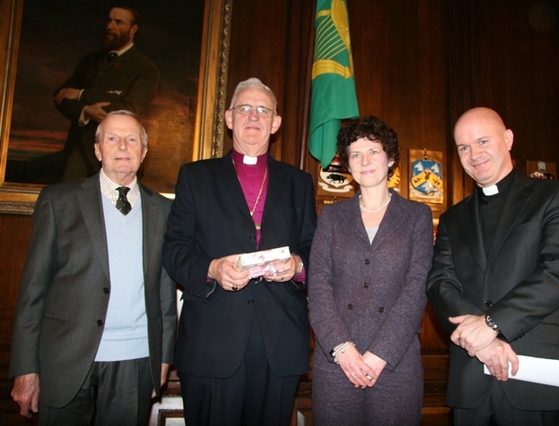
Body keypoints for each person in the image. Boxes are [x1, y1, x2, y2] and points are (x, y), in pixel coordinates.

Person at [426, 107, 559, 425]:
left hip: (541, 372)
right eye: (464, 147)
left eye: (482, 141)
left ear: (507, 139)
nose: (474, 154)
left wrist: (492, 324)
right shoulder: (453, 218)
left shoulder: (554, 196)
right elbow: (440, 283)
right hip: (472, 376)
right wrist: (482, 343)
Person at [162, 77, 317, 425]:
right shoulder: (195, 177)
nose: (253, 116)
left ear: (276, 123)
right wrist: (212, 268)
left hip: (279, 339)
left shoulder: (298, 182)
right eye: (244, 108)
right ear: (229, 117)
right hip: (212, 340)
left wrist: (297, 264)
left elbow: (312, 247)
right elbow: (174, 248)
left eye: (263, 110)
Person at [9, 110, 176, 424]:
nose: (123, 147)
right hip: (65, 359)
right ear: (98, 150)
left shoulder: (164, 211)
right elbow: (33, 291)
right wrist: (25, 367)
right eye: (112, 139)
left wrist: (165, 356)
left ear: (144, 150)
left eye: (131, 140)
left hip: (136, 361)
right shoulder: (58, 201)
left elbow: (165, 292)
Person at [308, 115, 433, 425]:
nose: (365, 160)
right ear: (348, 165)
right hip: (337, 363)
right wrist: (341, 347)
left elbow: (417, 288)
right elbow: (319, 285)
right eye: (356, 154)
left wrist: (380, 354)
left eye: (373, 151)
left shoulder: (417, 215)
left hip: (395, 363)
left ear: (390, 158)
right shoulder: (332, 217)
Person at [54, 6, 159, 182]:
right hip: (78, 152)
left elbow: (129, 109)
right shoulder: (89, 61)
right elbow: (62, 95)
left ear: (133, 29)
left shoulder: (145, 68)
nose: (110, 26)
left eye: (118, 22)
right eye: (109, 20)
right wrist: (85, 111)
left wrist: (81, 95)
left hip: (118, 159)